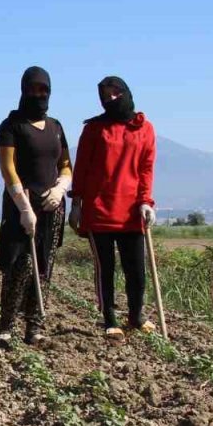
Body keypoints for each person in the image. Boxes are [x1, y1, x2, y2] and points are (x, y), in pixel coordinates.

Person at [70, 76, 157, 341]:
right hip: (99, 210)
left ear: (126, 93)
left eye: (114, 94)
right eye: (105, 96)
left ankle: (136, 315)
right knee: (104, 268)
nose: (110, 99)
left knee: (136, 270)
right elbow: (82, 168)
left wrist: (145, 201)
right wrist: (77, 204)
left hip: (132, 211)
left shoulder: (144, 128)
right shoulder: (95, 129)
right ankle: (109, 319)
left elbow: (146, 167)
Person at [0, 66, 72, 346]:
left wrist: (60, 190)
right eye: (32, 89)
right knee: (19, 264)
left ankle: (34, 327)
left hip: (51, 207)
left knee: (44, 267)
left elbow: (65, 166)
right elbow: (8, 169)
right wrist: (24, 208)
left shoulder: (56, 127)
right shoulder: (11, 126)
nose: (38, 95)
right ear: (23, 90)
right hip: (21, 206)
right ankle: (6, 325)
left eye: (43, 90)